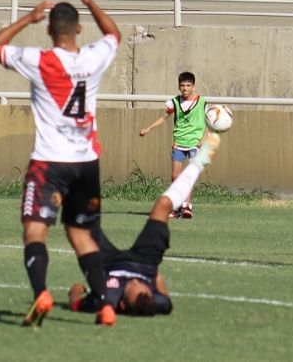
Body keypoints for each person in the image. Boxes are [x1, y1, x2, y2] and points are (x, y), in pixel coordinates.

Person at [0, 0, 121, 327]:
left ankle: (41, 292)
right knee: (82, 235)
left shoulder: (39, 60)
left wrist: (27, 18)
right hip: (87, 162)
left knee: (35, 230)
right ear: (78, 28)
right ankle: (104, 305)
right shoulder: (93, 57)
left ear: (48, 30)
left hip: (50, 161)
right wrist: (91, 2)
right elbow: (114, 34)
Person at [69, 134, 219, 317]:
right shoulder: (157, 301)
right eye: (141, 286)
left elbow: (75, 304)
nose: (134, 282)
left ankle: (71, 170)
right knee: (163, 205)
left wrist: (75, 290)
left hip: (108, 262)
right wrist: (154, 271)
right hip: (144, 261)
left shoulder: (107, 298)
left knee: (77, 227)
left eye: (132, 287)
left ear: (122, 304)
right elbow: (161, 289)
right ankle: (200, 160)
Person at [139, 71, 208, 219]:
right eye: (182, 85)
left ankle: (186, 206)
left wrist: (204, 138)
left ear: (193, 87)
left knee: (188, 176)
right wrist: (149, 128)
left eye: (188, 85)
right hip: (179, 142)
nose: (185, 88)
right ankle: (176, 207)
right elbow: (164, 118)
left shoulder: (202, 102)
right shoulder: (174, 102)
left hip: (194, 143)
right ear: (178, 86)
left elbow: (209, 121)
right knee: (175, 176)